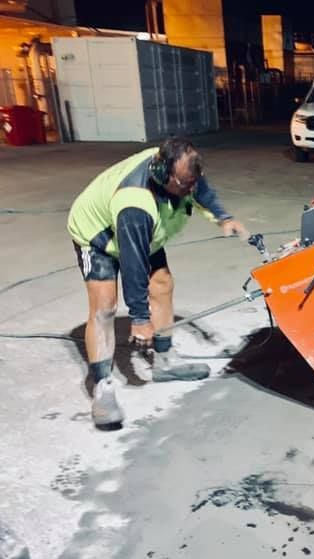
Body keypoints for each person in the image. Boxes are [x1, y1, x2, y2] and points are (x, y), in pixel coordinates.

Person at [67, 138, 248, 430]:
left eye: (193, 182)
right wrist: (139, 318)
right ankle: (103, 388)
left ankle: (165, 362)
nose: (191, 190)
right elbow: (133, 264)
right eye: (184, 185)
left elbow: (199, 187)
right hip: (96, 237)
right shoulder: (136, 204)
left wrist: (222, 218)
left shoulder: (176, 170)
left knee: (162, 283)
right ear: (164, 176)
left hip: (141, 232)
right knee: (105, 306)